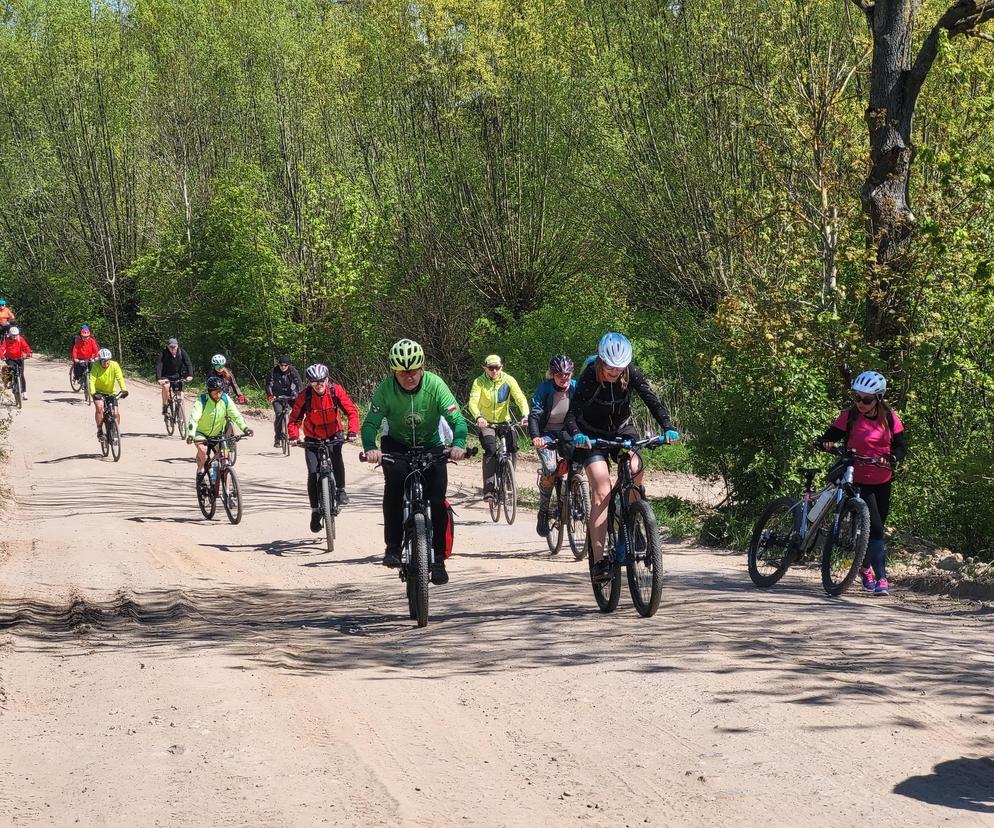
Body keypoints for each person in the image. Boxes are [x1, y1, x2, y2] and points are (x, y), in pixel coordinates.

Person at [565, 332, 679, 583]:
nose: (614, 372)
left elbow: (651, 400)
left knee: (635, 467)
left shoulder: (630, 373)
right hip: (591, 436)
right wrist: (576, 435)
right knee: (602, 489)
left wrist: (667, 426)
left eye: (619, 367)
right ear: (601, 361)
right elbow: (571, 414)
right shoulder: (588, 377)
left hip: (621, 430)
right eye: (609, 367)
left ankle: (636, 519)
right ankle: (599, 560)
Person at [361, 339, 467, 584]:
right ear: (393, 371)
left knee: (438, 500)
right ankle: (393, 548)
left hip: (431, 445)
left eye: (413, 371)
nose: (408, 376)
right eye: (402, 372)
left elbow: (457, 420)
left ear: (422, 368)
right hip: (396, 445)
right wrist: (370, 448)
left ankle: (439, 558)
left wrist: (459, 444)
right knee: (394, 489)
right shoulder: (386, 389)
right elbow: (370, 425)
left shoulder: (435, 385)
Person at [817, 370, 906, 596]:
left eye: (866, 399)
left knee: (874, 529)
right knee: (875, 527)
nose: (860, 403)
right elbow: (830, 436)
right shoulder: (849, 417)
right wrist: (825, 443)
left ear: (878, 398)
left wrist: (893, 457)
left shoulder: (890, 418)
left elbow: (901, 446)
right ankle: (882, 578)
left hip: (882, 479)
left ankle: (864, 567)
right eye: (857, 398)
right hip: (857, 479)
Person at [288, 363, 359, 531]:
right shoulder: (304, 396)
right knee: (313, 472)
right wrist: (293, 436)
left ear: (327, 379)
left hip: (334, 433)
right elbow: (294, 420)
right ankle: (314, 511)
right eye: (314, 382)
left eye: (322, 381)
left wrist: (353, 431)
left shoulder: (335, 391)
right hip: (312, 437)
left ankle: (341, 490)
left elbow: (352, 411)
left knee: (336, 457)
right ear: (309, 382)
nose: (319, 385)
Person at [467, 354, 529, 502]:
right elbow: (473, 402)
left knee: (513, 446)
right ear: (485, 368)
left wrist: (525, 415)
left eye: (497, 368)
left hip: (504, 421)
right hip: (486, 422)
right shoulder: (479, 382)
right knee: (491, 449)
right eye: (491, 368)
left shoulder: (508, 380)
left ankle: (508, 481)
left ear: (502, 367)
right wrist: (478, 417)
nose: (494, 371)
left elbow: (520, 398)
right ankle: (489, 490)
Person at [528, 355, 577, 537]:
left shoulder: (575, 387)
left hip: (568, 433)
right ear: (552, 374)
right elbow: (534, 415)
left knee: (578, 464)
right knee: (550, 468)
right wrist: (536, 437)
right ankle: (544, 511)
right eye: (559, 374)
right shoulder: (545, 389)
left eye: (567, 374)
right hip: (546, 435)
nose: (564, 378)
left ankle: (577, 498)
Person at [186, 375, 253, 492]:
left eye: (220, 392)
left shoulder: (225, 399)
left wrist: (245, 428)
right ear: (209, 392)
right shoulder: (202, 401)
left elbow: (236, 415)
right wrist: (191, 434)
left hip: (217, 433)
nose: (218, 395)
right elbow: (194, 419)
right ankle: (200, 471)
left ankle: (227, 490)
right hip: (201, 433)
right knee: (203, 453)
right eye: (215, 393)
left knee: (225, 458)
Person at [89, 348, 128, 442]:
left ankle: (115, 431)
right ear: (100, 360)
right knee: (99, 407)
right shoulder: (96, 366)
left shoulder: (115, 365)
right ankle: (100, 431)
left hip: (111, 392)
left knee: (116, 413)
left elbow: (120, 378)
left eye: (107, 360)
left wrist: (124, 390)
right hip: (98, 391)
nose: (105, 362)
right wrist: (93, 393)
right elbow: (92, 379)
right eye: (103, 360)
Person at [266, 355, 303, 447]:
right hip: (277, 396)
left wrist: (299, 395)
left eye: (285, 365)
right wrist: (270, 395)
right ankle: (277, 438)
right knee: (279, 414)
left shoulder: (293, 371)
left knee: (298, 413)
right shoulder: (273, 371)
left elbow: (298, 383)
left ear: (288, 365)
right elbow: (268, 384)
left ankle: (295, 435)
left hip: (290, 395)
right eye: (281, 365)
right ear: (278, 365)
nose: (283, 367)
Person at [155, 338, 194, 413]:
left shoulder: (181, 352)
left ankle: (180, 414)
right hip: (166, 376)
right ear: (168, 347)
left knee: (180, 397)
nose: (173, 348)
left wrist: (190, 375)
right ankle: (165, 404)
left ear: (177, 346)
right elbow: (159, 365)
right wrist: (159, 378)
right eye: (171, 347)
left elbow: (188, 363)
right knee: (166, 386)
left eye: (174, 347)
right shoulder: (163, 353)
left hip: (178, 376)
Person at [1, 326, 32, 399]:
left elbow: (26, 347)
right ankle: (8, 381)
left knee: (21, 375)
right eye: (13, 335)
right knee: (9, 369)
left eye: (16, 335)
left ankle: (24, 392)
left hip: (19, 359)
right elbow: (2, 348)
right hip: (10, 359)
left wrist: (28, 353)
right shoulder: (7, 340)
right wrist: (2, 356)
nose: (14, 336)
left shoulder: (20, 339)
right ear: (10, 334)